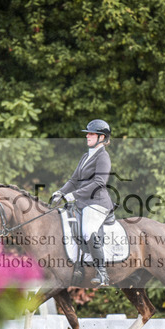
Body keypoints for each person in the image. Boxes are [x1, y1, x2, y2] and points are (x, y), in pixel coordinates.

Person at [52, 119, 114, 287]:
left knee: (88, 231)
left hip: (97, 203)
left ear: (102, 137)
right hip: (82, 202)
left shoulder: (103, 157)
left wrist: (74, 195)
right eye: (88, 134)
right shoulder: (86, 156)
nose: (87, 136)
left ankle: (102, 273)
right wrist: (61, 192)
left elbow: (99, 182)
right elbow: (74, 180)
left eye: (91, 134)